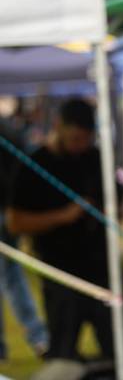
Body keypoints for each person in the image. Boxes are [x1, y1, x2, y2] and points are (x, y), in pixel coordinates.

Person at [6, 98, 123, 362]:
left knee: (117, 353)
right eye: (75, 139)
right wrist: (64, 216)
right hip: (61, 271)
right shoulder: (35, 164)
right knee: (63, 354)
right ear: (59, 126)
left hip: (102, 267)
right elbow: (15, 223)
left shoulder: (98, 159)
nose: (80, 146)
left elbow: (119, 207)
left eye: (86, 139)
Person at [0, 118, 49, 360]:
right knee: (11, 275)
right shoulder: (9, 130)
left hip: (8, 212)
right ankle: (38, 337)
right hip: (10, 211)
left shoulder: (7, 132)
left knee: (10, 275)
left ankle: (38, 336)